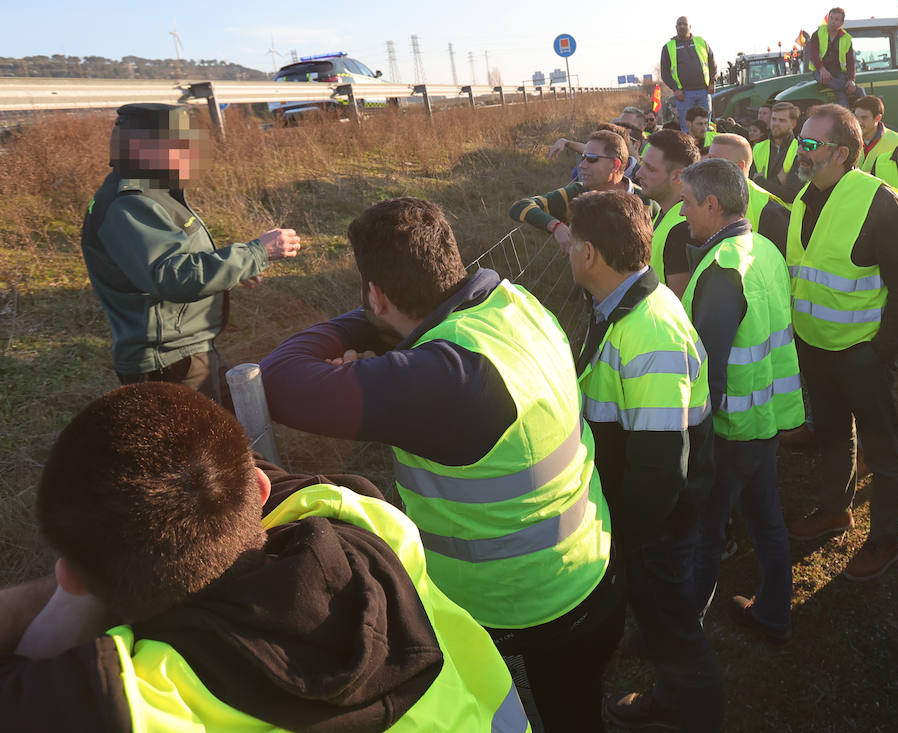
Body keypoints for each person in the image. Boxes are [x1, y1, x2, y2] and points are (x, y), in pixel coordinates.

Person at [259, 198, 621, 732]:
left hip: (513, 606)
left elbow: (278, 377)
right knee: (579, 710)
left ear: (376, 293)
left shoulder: (442, 379)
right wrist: (396, 336)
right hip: (589, 565)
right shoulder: (514, 303)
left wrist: (372, 325)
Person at [0, 383, 528, 731]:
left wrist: (80, 587)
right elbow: (231, 474)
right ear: (258, 489)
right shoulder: (360, 519)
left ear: (69, 579)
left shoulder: (138, 704)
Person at [561, 191, 722, 731]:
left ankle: (692, 710)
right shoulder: (621, 305)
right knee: (662, 615)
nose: (568, 252)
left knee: (673, 625)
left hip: (658, 526)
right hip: (650, 518)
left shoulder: (649, 334)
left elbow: (659, 470)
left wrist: (623, 539)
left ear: (589, 254)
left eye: (572, 243)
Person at [782, 104, 898, 581]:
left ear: (842, 153)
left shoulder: (880, 202)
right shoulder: (804, 196)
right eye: (800, 141)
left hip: (861, 354)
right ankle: (835, 510)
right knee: (833, 432)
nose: (800, 151)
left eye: (810, 144)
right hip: (814, 346)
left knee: (882, 450)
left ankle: (885, 539)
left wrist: (880, 353)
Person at [79, 103, 301, 405]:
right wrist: (256, 253)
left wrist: (236, 268)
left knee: (237, 420)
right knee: (212, 435)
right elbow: (174, 277)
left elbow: (178, 255)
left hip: (189, 349)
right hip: (170, 362)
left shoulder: (154, 191)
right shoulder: (129, 204)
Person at [676, 159, 803, 648]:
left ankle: (682, 636)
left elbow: (709, 369)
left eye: (687, 203)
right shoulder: (762, 249)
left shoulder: (723, 269)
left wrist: (695, 439)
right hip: (764, 418)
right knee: (766, 519)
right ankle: (774, 614)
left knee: (704, 534)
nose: (682, 213)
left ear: (712, 204)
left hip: (729, 431)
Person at [511, 129, 657, 254]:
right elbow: (520, 206)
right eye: (583, 157)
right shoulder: (578, 193)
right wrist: (556, 227)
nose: (582, 165)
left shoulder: (647, 200)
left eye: (591, 159)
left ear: (615, 164)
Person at [638, 129, 701, 296]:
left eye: (650, 168)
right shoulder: (665, 214)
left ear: (678, 176)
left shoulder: (684, 229)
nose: (639, 174)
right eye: (642, 164)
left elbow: (681, 303)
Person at [707, 132, 791, 248]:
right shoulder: (698, 197)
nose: (707, 168)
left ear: (739, 167)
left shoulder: (771, 212)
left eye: (716, 163)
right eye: (708, 160)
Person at [806, 7, 864, 109]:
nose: (833, 22)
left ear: (842, 23)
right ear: (828, 19)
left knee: (840, 93)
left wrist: (851, 80)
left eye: (836, 19)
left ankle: (843, 113)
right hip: (820, 71)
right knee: (829, 81)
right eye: (831, 18)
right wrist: (822, 69)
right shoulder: (817, 34)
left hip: (838, 71)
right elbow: (813, 54)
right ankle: (858, 91)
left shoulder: (846, 38)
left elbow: (850, 61)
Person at [661, 17, 716, 123]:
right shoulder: (668, 47)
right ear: (676, 27)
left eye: (685, 24)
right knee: (687, 126)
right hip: (683, 94)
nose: (682, 26)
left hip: (704, 92)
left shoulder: (701, 42)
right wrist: (675, 89)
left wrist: (712, 82)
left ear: (690, 27)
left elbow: (712, 64)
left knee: (705, 125)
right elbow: (664, 73)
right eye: (679, 24)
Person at [753, 102, 803, 201]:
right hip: (760, 208)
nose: (776, 124)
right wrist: (778, 181)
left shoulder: (800, 150)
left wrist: (760, 181)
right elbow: (749, 184)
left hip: (785, 210)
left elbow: (792, 195)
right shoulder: (758, 148)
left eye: (782, 120)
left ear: (793, 124)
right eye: (774, 119)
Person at [854, 96, 898, 170]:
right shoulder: (847, 140)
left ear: (878, 118)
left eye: (864, 118)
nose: (858, 122)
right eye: (856, 117)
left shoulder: (897, 142)